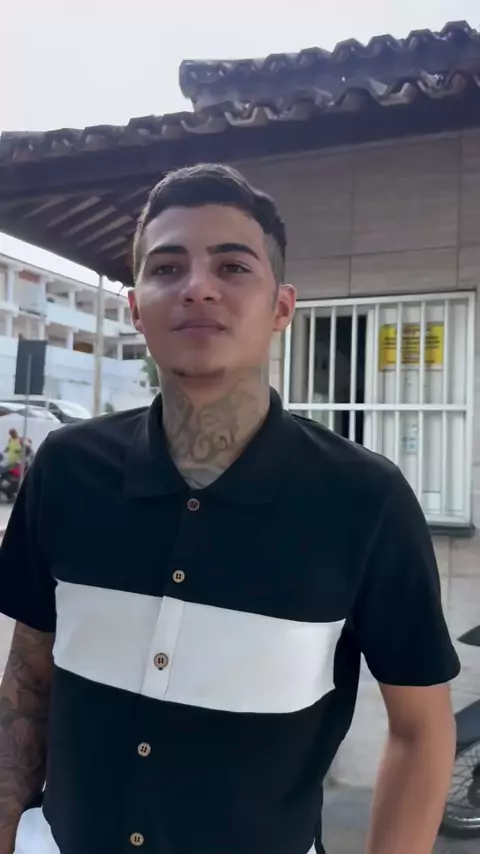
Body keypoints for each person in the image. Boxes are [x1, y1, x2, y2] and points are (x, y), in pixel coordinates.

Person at [0, 164, 459, 854]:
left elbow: (420, 728)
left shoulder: (365, 499)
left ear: (282, 307)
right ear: (135, 308)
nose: (198, 287)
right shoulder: (66, 469)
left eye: (233, 266)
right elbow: (28, 679)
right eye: (167, 267)